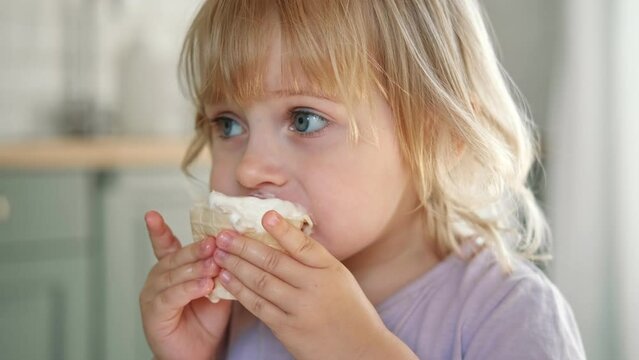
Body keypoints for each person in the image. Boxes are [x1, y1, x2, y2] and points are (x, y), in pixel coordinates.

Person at [139, 0, 586, 359]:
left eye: (305, 119)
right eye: (228, 125)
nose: (248, 169)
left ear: (437, 134)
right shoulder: (247, 308)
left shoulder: (510, 316)